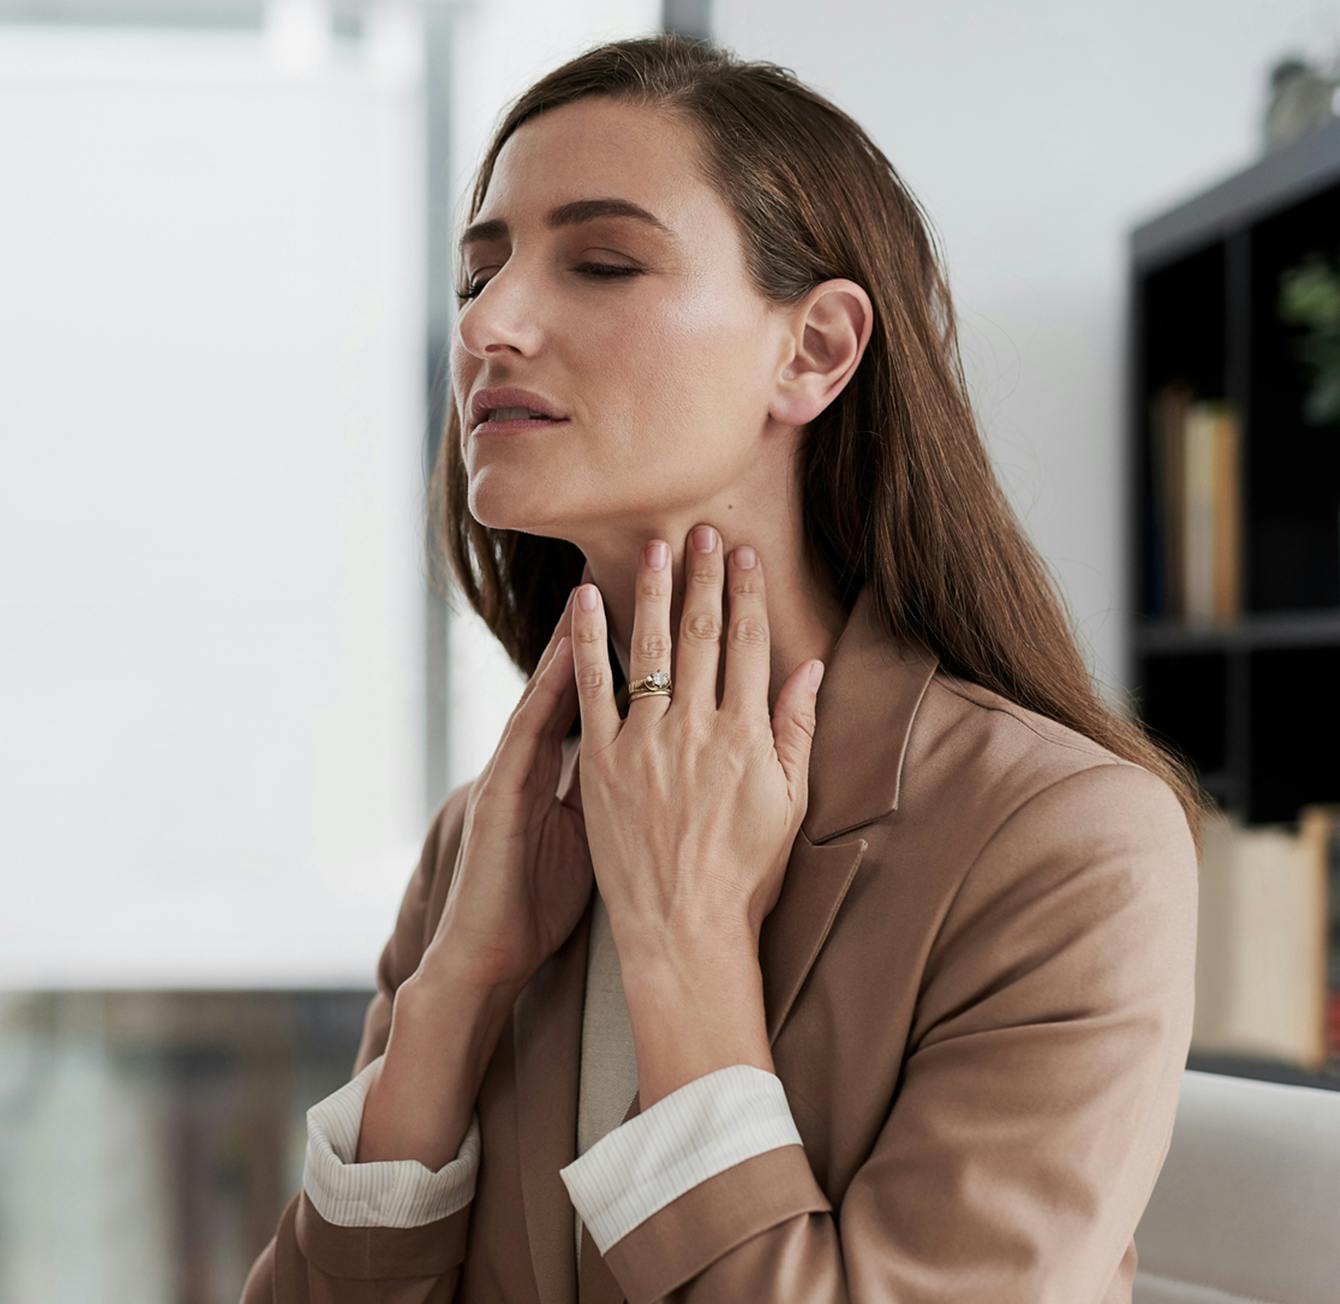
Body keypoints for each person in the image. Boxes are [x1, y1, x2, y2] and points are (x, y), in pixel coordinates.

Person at [241, 31, 1208, 1304]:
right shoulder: (485, 842)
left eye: (600, 261)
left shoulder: (1058, 846)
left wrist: (683, 942)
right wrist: (452, 994)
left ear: (812, 350)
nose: (490, 324)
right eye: (479, 274)